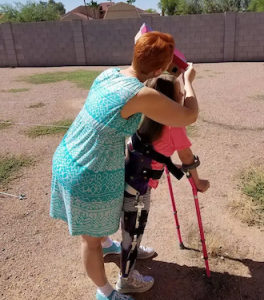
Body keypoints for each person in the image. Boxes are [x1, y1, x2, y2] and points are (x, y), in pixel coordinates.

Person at [50, 31, 199, 300]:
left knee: (97, 233)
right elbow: (189, 115)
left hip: (70, 154)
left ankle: (107, 244)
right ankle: (106, 293)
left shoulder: (109, 74)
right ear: (159, 69)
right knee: (89, 241)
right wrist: (187, 83)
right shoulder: (140, 94)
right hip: (87, 171)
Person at [117, 74, 210, 294]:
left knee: (131, 227)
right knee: (133, 230)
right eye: (179, 91)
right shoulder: (173, 125)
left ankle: (134, 249)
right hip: (138, 189)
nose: (182, 94)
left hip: (126, 178)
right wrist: (198, 181)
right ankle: (126, 279)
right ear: (171, 98)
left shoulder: (144, 112)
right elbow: (187, 157)